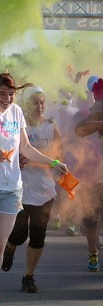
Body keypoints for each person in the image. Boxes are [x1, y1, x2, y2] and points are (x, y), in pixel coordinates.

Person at [0, 71, 68, 306]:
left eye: (11, 95)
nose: (7, 99)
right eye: (3, 94)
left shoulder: (17, 112)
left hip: (11, 189)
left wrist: (53, 162)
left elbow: (27, 148)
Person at [0, 86, 63, 293]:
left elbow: (58, 154)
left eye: (42, 102)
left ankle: (28, 277)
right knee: (19, 234)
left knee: (38, 236)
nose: (39, 106)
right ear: (26, 104)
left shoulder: (51, 126)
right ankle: (10, 247)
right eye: (35, 102)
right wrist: (14, 160)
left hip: (45, 190)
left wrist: (52, 165)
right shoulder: (15, 125)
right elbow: (3, 151)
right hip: (20, 188)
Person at [75, 75, 103, 272]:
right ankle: (93, 251)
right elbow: (79, 130)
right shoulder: (97, 113)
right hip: (95, 172)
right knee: (91, 216)